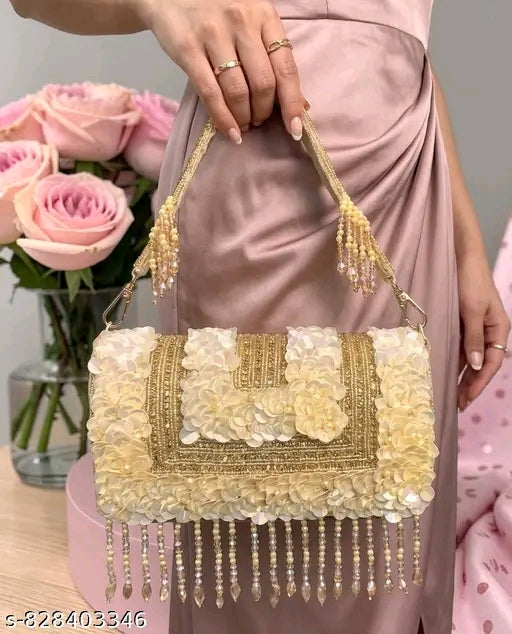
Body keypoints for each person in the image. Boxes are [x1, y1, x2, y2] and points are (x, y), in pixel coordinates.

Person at [10, 1, 510, 633]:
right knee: (248, 517)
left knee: (395, 526)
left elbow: (413, 46)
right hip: (253, 178)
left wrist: (467, 246)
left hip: (409, 187)